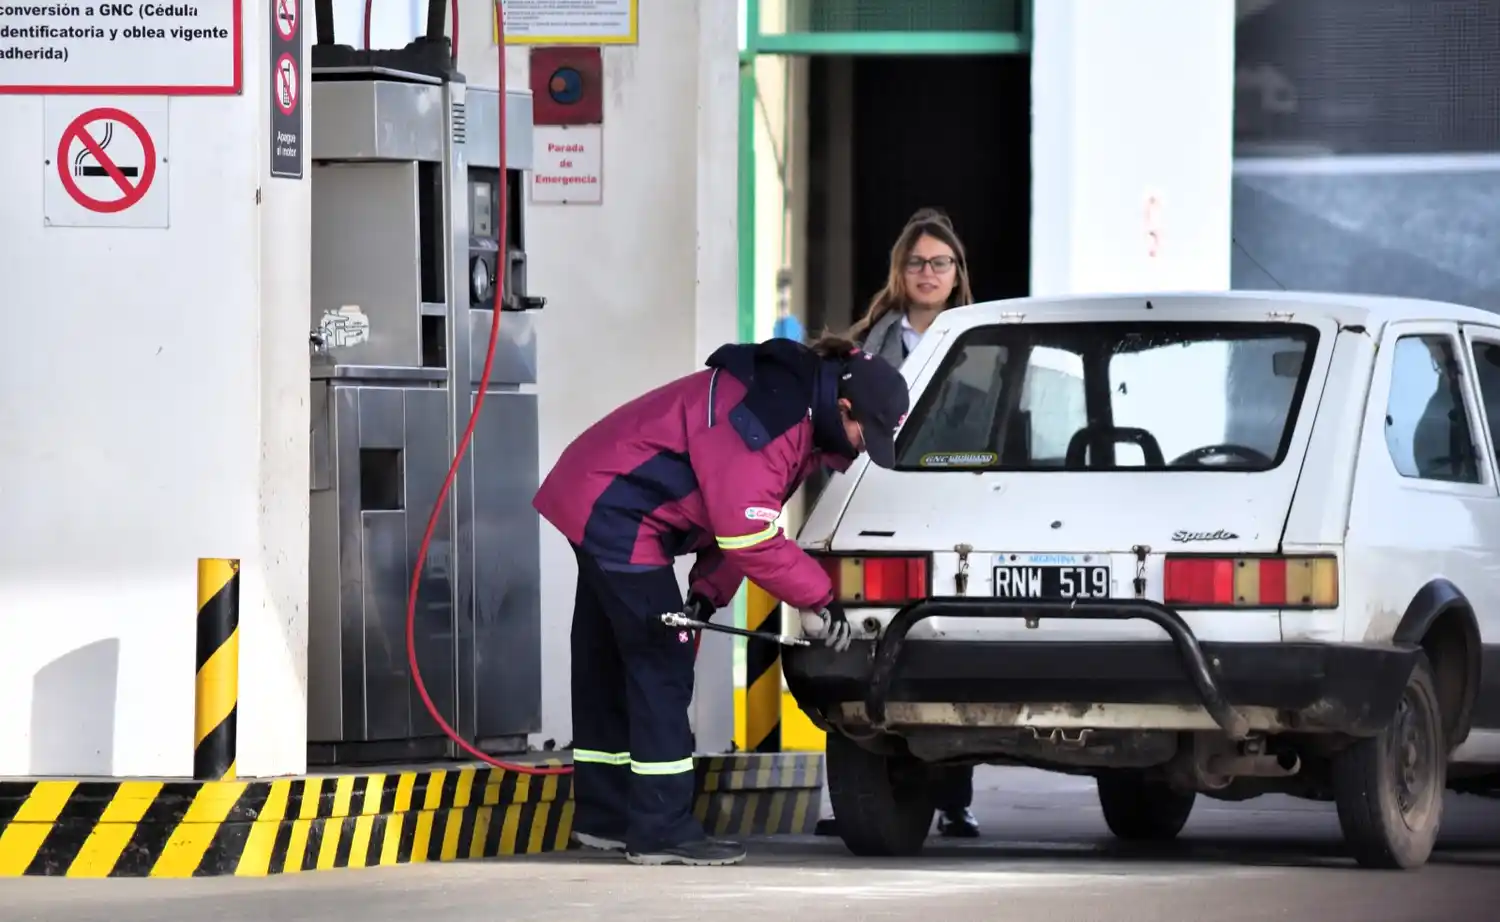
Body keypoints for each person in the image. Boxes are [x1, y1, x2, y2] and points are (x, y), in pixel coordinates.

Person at [532, 335, 911, 866]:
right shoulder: (775, 415)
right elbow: (747, 537)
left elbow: (742, 516)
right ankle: (661, 830)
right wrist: (820, 598)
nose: (858, 448)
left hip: (601, 494)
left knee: (608, 657)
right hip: (616, 508)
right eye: (861, 433)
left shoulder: (798, 407)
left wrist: (706, 598)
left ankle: (606, 818)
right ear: (843, 407)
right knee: (661, 660)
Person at [816, 207, 982, 840]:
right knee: (873, 643)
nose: (928, 272)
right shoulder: (871, 338)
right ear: (901, 271)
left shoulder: (980, 335)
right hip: (882, 503)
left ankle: (956, 799)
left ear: (956, 271)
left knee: (952, 643)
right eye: (918, 262)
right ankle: (863, 790)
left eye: (941, 262)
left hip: (957, 500)